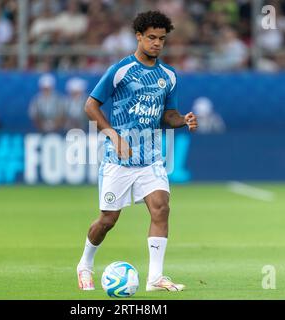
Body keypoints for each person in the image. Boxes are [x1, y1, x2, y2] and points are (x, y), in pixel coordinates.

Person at [76, 11, 198, 292]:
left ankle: (155, 278)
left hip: (151, 158)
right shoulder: (120, 70)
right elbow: (90, 106)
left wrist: (183, 120)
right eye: (152, 38)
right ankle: (85, 264)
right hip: (117, 160)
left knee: (161, 208)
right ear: (139, 37)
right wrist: (113, 136)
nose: (157, 43)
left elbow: (167, 115)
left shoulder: (168, 76)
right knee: (108, 220)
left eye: (162, 39)